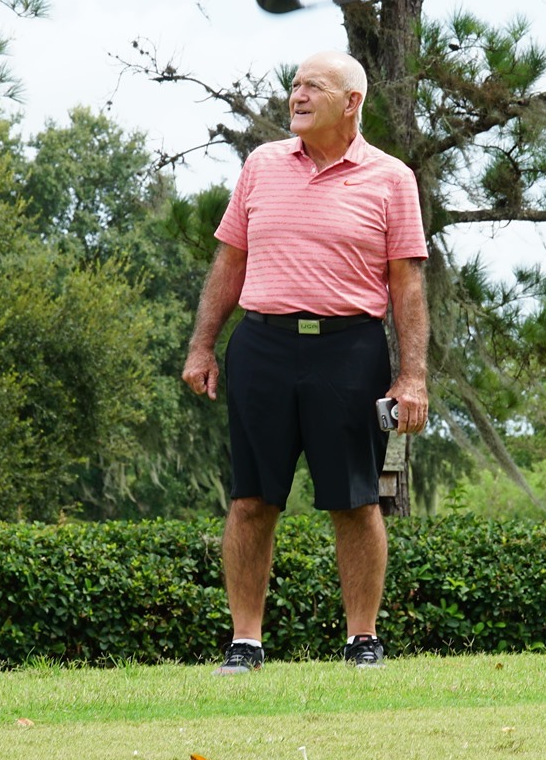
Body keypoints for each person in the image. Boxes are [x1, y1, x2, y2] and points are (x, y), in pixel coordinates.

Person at [182, 51, 429, 673]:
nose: (297, 95)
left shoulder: (392, 178)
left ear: (352, 103)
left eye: (313, 86)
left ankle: (362, 639)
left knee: (356, 500)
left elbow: (407, 284)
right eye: (295, 85)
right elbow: (230, 261)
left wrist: (412, 375)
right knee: (251, 500)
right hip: (262, 347)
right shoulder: (262, 165)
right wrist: (202, 345)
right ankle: (245, 642)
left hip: (350, 352)